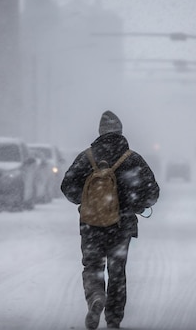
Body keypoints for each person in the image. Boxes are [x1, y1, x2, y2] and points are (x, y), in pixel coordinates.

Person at [61, 110, 160, 330]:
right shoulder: (132, 158)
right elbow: (153, 192)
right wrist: (135, 204)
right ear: (120, 132)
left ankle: (96, 296)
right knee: (117, 270)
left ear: (100, 132)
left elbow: (67, 187)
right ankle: (113, 319)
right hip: (121, 225)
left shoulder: (87, 157)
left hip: (91, 223)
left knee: (93, 265)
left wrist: (87, 200)